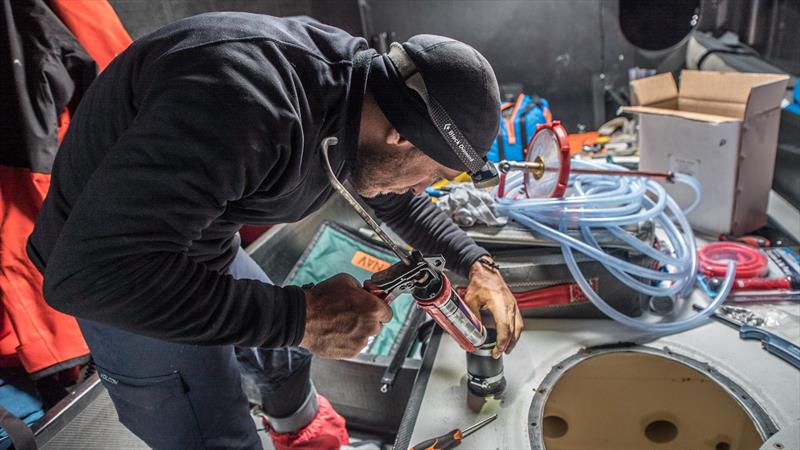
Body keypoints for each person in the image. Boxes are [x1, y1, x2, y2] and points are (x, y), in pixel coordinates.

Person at [27, 12, 522, 450]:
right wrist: (301, 317)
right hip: (122, 279)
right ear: (400, 136)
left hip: (201, 244)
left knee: (283, 357)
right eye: (431, 174)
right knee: (215, 432)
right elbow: (86, 277)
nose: (422, 188)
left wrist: (476, 262)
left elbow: (391, 189)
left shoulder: (363, 99)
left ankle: (303, 437)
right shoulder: (245, 103)